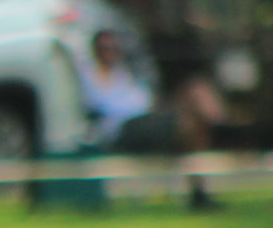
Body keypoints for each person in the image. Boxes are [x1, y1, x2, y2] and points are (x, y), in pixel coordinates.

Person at [78, 28, 226, 210]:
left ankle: (199, 189)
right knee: (191, 126)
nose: (110, 51)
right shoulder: (89, 76)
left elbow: (144, 99)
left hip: (145, 119)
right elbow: (101, 107)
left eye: (113, 47)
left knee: (194, 91)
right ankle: (220, 129)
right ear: (96, 50)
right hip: (123, 128)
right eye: (104, 47)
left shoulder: (122, 74)